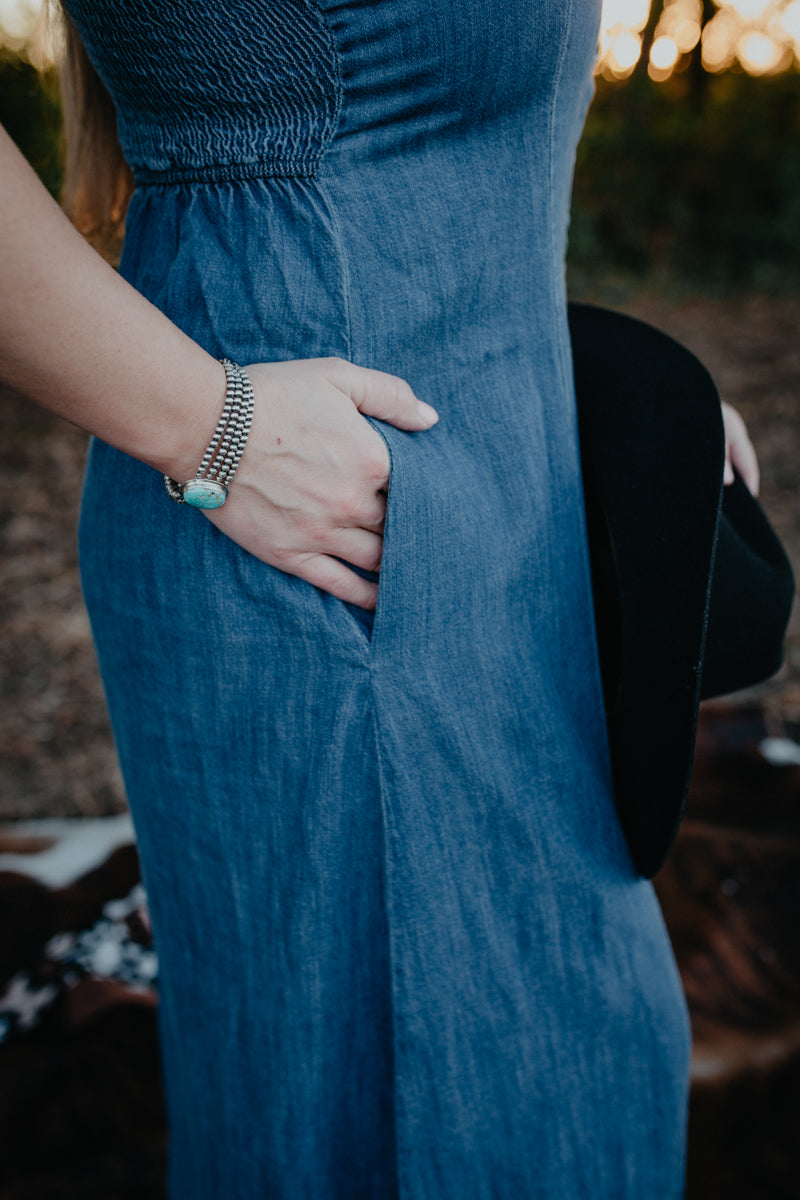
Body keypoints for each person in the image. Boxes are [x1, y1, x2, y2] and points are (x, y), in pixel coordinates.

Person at [0, 1, 760, 1196]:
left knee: (567, 1068)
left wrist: (594, 403)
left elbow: (439, 170)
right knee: (417, 1122)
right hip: (330, 564)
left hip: (497, 528)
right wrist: (217, 427)